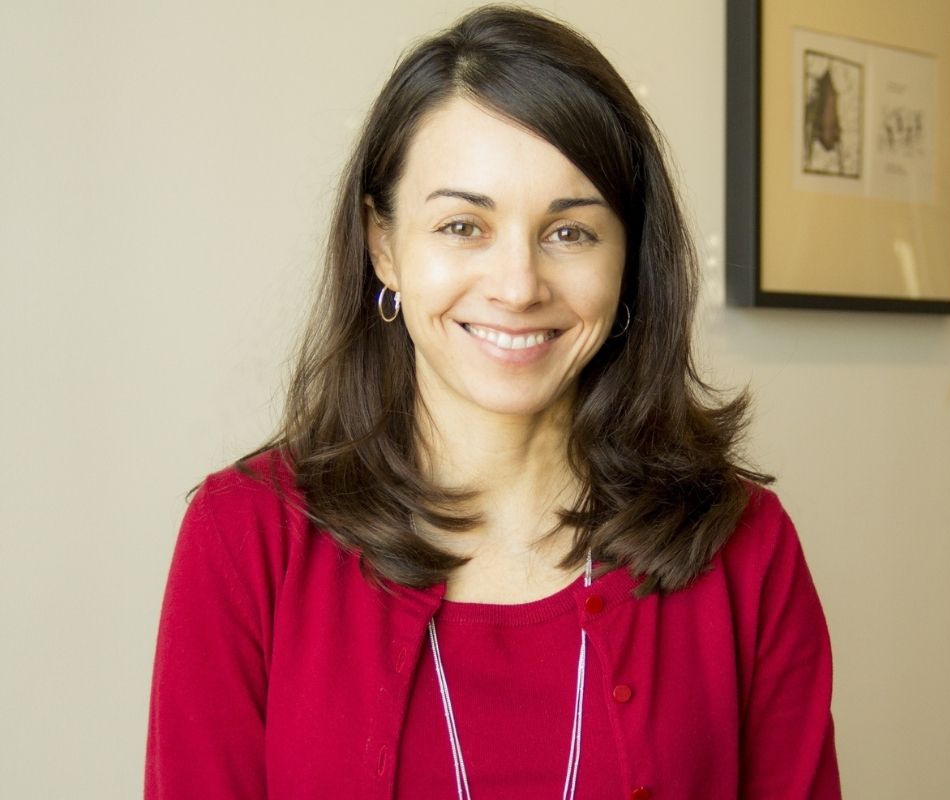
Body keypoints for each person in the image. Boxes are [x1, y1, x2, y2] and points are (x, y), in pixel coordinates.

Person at [144, 5, 839, 798]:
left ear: (629, 258)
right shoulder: (245, 540)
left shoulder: (746, 548)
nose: (517, 286)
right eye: (463, 225)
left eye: (570, 233)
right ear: (383, 246)